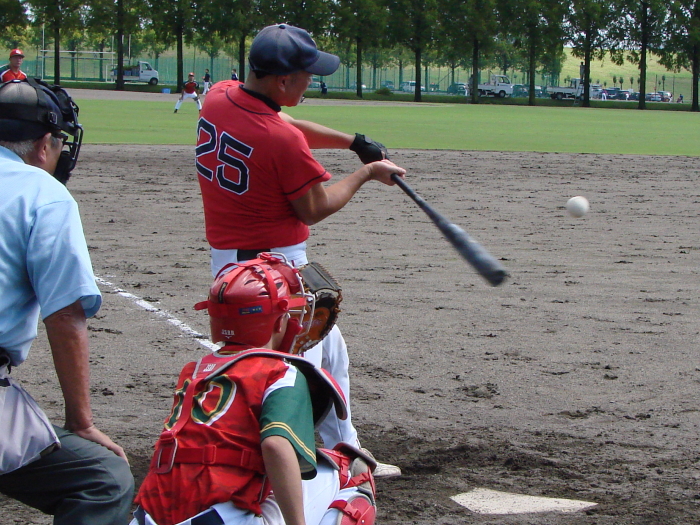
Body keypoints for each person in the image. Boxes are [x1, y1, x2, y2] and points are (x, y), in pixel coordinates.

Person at [196, 23, 406, 478]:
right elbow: (314, 206)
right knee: (291, 373)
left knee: (330, 350)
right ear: (283, 80)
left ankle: (345, 451)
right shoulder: (279, 139)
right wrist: (367, 173)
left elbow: (285, 124)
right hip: (268, 268)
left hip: (237, 262)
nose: (312, 80)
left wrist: (354, 143)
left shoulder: (220, 96)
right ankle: (291, 473)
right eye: (307, 74)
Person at [131, 254, 377, 525]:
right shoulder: (280, 373)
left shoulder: (193, 372)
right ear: (279, 322)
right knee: (352, 470)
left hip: (149, 516)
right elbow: (275, 447)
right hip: (221, 519)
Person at [0, 78, 134, 523]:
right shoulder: (44, 194)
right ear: (44, 145)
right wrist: (81, 422)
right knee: (103, 479)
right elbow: (65, 316)